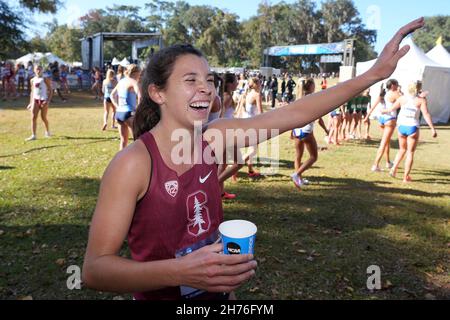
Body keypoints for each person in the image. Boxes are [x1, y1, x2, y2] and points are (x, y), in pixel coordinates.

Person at [82, 18, 424, 300]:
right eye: (191, 81)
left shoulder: (213, 139)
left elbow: (295, 113)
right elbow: (96, 269)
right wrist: (181, 271)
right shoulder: (133, 164)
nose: (206, 89)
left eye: (210, 81)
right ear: (157, 93)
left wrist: (372, 75)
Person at [383, 81, 437, 182]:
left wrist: (383, 111)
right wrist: (432, 129)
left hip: (401, 126)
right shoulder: (421, 100)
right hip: (412, 127)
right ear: (419, 89)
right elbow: (426, 114)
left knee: (402, 150)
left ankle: (393, 169)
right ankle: (405, 177)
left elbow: (391, 108)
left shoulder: (402, 98)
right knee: (410, 153)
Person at [291, 79, 329, 188]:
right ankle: (297, 175)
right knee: (313, 157)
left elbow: (292, 118)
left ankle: (299, 181)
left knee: (298, 157)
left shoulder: (298, 98)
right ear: (311, 86)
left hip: (296, 131)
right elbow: (319, 119)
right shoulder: (313, 100)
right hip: (307, 131)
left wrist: (291, 132)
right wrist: (326, 130)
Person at [364, 79, 401, 172]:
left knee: (387, 142)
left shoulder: (383, 94)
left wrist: (367, 116)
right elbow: (404, 100)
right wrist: (400, 92)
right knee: (384, 143)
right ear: (392, 85)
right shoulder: (394, 94)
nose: (398, 86)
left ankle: (388, 162)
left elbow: (373, 106)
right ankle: (375, 165)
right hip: (390, 119)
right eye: (397, 84)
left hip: (382, 120)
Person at [110, 64, 141, 150]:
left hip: (119, 113)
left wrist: (117, 106)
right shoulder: (133, 82)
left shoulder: (121, 81)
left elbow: (112, 95)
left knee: (123, 141)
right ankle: (138, 161)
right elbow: (140, 95)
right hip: (129, 113)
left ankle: (120, 161)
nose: (140, 76)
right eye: (140, 74)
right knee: (137, 141)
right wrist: (139, 109)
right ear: (136, 73)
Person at [25, 65, 53, 141]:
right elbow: (32, 91)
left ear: (42, 70)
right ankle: (33, 135)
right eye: (37, 69)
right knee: (33, 117)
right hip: (35, 100)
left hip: (44, 100)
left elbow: (50, 90)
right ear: (34, 70)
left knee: (43, 117)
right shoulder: (32, 80)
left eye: (40, 69)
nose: (38, 71)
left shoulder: (45, 79)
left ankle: (47, 132)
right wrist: (30, 103)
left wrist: (48, 101)